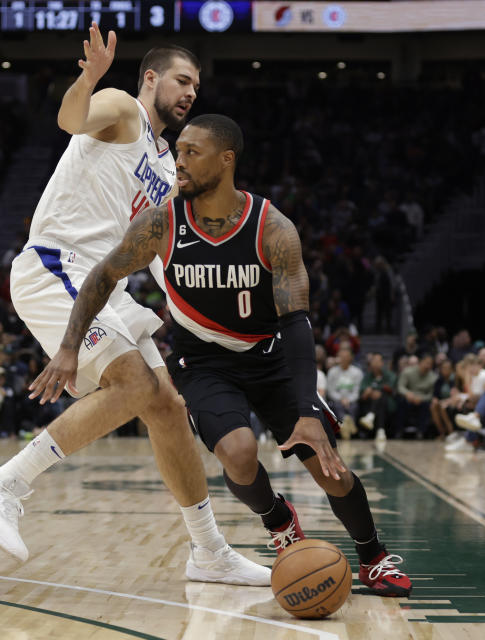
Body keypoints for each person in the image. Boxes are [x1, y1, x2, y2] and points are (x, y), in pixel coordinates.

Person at [31, 114, 412, 597]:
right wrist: (68, 348)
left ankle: (373, 555)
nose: (179, 163)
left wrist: (306, 407)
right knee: (238, 453)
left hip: (272, 357)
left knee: (327, 467)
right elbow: (102, 276)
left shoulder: (273, 228)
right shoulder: (161, 223)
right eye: (179, 151)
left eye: (192, 153)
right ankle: (277, 519)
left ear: (226, 160)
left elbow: (297, 322)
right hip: (204, 362)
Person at [0, 25, 268, 586]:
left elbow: (158, 256)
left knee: (168, 409)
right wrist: (90, 77)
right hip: (58, 265)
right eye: (182, 80)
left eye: (196, 86)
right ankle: (2, 483)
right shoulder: (123, 109)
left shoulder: (167, 166)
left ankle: (208, 552)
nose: (191, 93)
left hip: (105, 287)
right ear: (151, 78)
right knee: (132, 386)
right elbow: (70, 120)